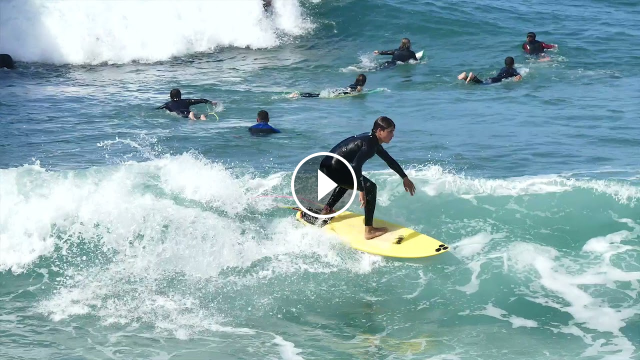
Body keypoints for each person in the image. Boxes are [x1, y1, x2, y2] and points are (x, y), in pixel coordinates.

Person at [317, 116, 416, 240]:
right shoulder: (370, 145)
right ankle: (369, 230)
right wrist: (361, 190)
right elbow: (356, 166)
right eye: (390, 131)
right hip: (334, 169)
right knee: (371, 187)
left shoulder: (371, 140)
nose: (393, 135)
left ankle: (327, 209)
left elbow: (389, 160)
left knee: (346, 179)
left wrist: (405, 178)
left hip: (328, 166)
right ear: (380, 131)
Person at [290, 74, 367, 98]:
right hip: (339, 93)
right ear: (363, 82)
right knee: (317, 96)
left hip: (338, 90)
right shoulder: (358, 87)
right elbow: (357, 90)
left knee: (317, 95)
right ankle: (298, 95)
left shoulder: (353, 84)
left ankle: (299, 94)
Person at [457, 56, 522, 85]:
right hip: (495, 80)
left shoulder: (503, 68)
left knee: (478, 83)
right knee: (481, 84)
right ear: (513, 64)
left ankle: (465, 77)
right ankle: (472, 76)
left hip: (493, 78)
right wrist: (518, 77)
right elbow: (518, 75)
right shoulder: (512, 70)